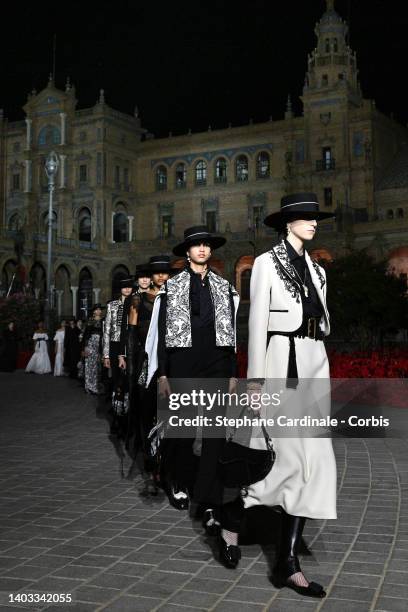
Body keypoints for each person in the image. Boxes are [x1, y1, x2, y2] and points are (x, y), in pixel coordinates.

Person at [223, 193, 337, 597]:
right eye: (306, 218)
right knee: (274, 460)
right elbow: (255, 325)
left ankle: (287, 565)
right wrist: (255, 382)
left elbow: (321, 320)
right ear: (287, 223)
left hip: (312, 361)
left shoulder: (317, 269)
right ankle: (229, 520)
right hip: (278, 360)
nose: (314, 223)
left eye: (315, 218)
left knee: (312, 462)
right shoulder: (267, 264)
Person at [145, 227, 239, 531]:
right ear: (187, 251)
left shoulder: (224, 286)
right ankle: (178, 482)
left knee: (214, 431)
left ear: (211, 251)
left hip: (217, 364)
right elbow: (161, 334)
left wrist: (233, 370)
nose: (201, 248)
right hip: (183, 363)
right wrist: (162, 373)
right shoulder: (171, 288)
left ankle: (207, 493)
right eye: (196, 244)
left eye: (206, 244)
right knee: (182, 430)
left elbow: (232, 332)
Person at [119, 257, 171, 493]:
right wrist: (131, 367)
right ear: (151, 275)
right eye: (157, 273)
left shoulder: (173, 297)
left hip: (170, 363)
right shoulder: (138, 299)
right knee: (147, 411)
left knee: (170, 413)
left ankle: (167, 464)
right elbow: (131, 334)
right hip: (146, 363)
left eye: (165, 272)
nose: (161, 276)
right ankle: (151, 465)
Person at [82, 304, 105, 394]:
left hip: (101, 344)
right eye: (96, 309)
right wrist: (85, 348)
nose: (98, 311)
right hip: (91, 344)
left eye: (100, 309)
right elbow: (85, 335)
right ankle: (89, 386)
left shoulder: (104, 320)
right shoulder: (90, 321)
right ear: (93, 311)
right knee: (89, 365)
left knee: (97, 366)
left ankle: (96, 386)